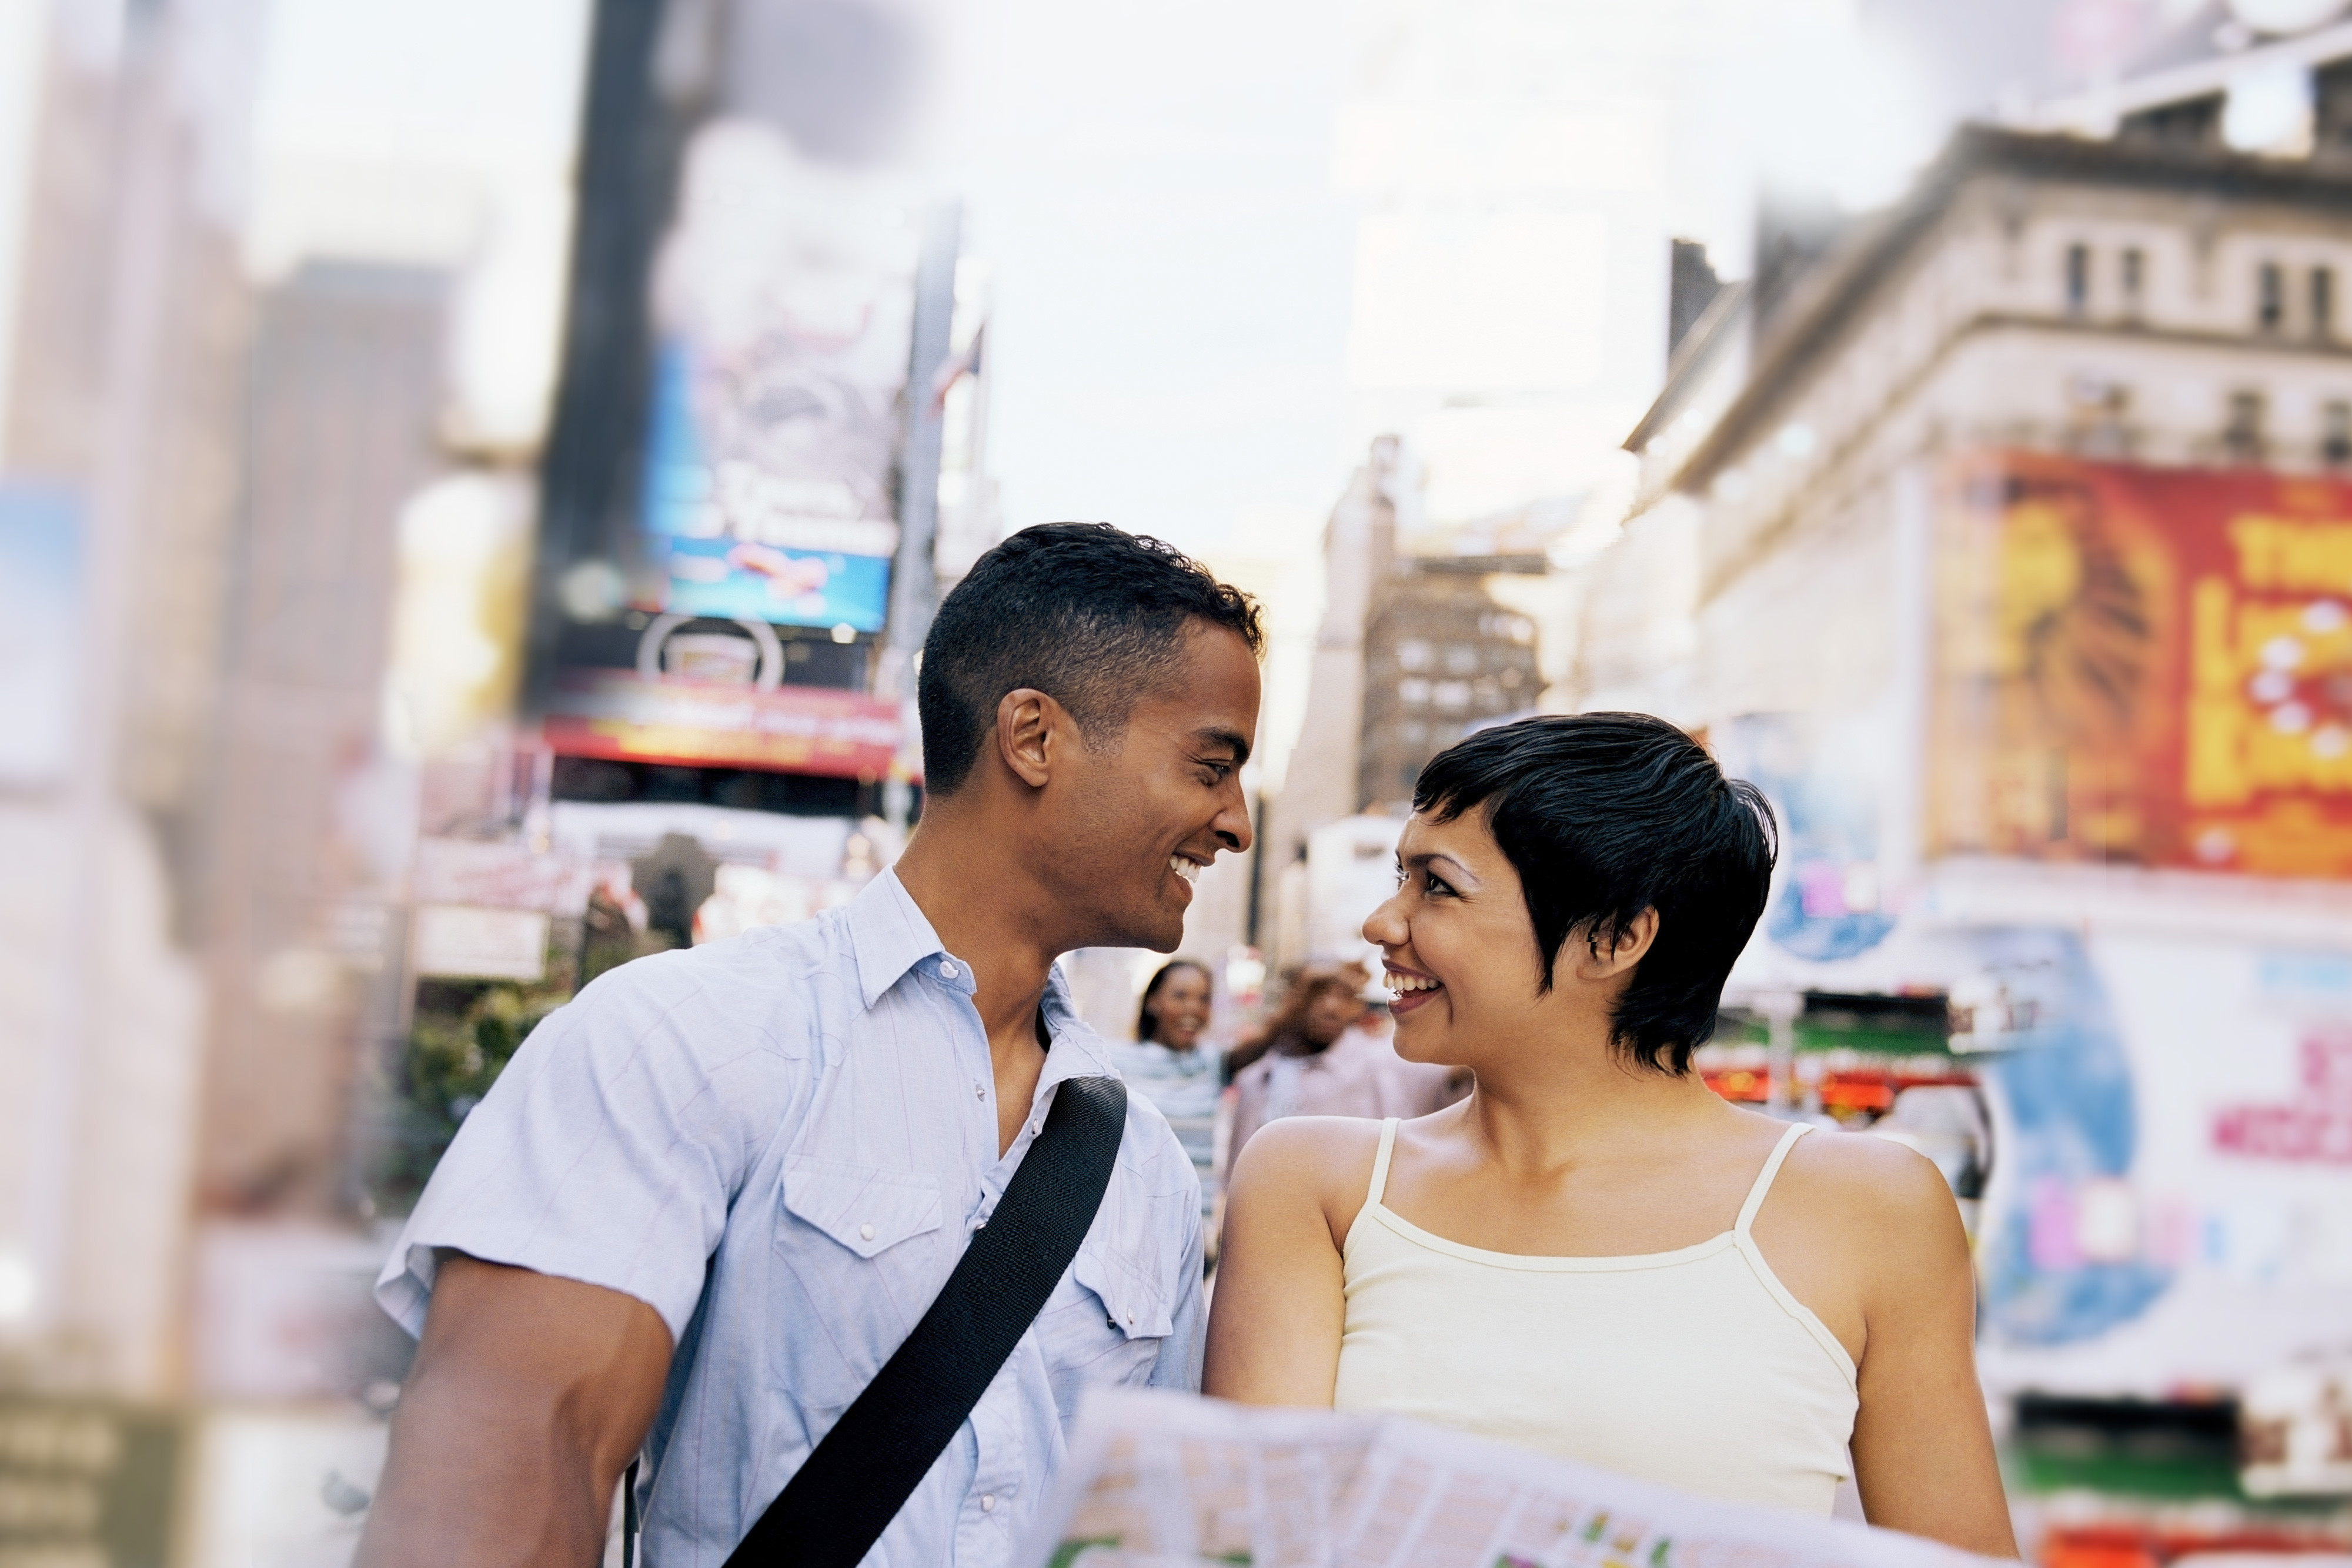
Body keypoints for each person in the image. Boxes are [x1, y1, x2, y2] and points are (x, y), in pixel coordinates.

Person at [358, 523, 1263, 1567]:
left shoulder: (1139, 1163)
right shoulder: (683, 1037)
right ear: (1034, 736)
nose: (1234, 821)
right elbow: (510, 1479)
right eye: (1210, 765)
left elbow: (1146, 1535)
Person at [1204, 714, 2017, 1557]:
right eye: (1399, 877)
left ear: (1617, 935)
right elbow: (1253, 1541)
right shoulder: (1314, 1180)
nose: (1382, 922)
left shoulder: (1872, 1206)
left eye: (1436, 885)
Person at [1222, 964, 1459, 1171]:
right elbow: (1239, 1173)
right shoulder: (1257, 1077)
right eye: (1317, 994)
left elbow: (1458, 1075)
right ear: (1291, 1000)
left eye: (1344, 996)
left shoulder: (1385, 1060)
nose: (1331, 1008)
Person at [1111, 961, 1221, 1222]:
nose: (1193, 1007)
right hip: (1130, 1223)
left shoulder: (1214, 1063)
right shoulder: (1115, 1061)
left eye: (1203, 999)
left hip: (1192, 1227)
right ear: (1153, 1002)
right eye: (1180, 996)